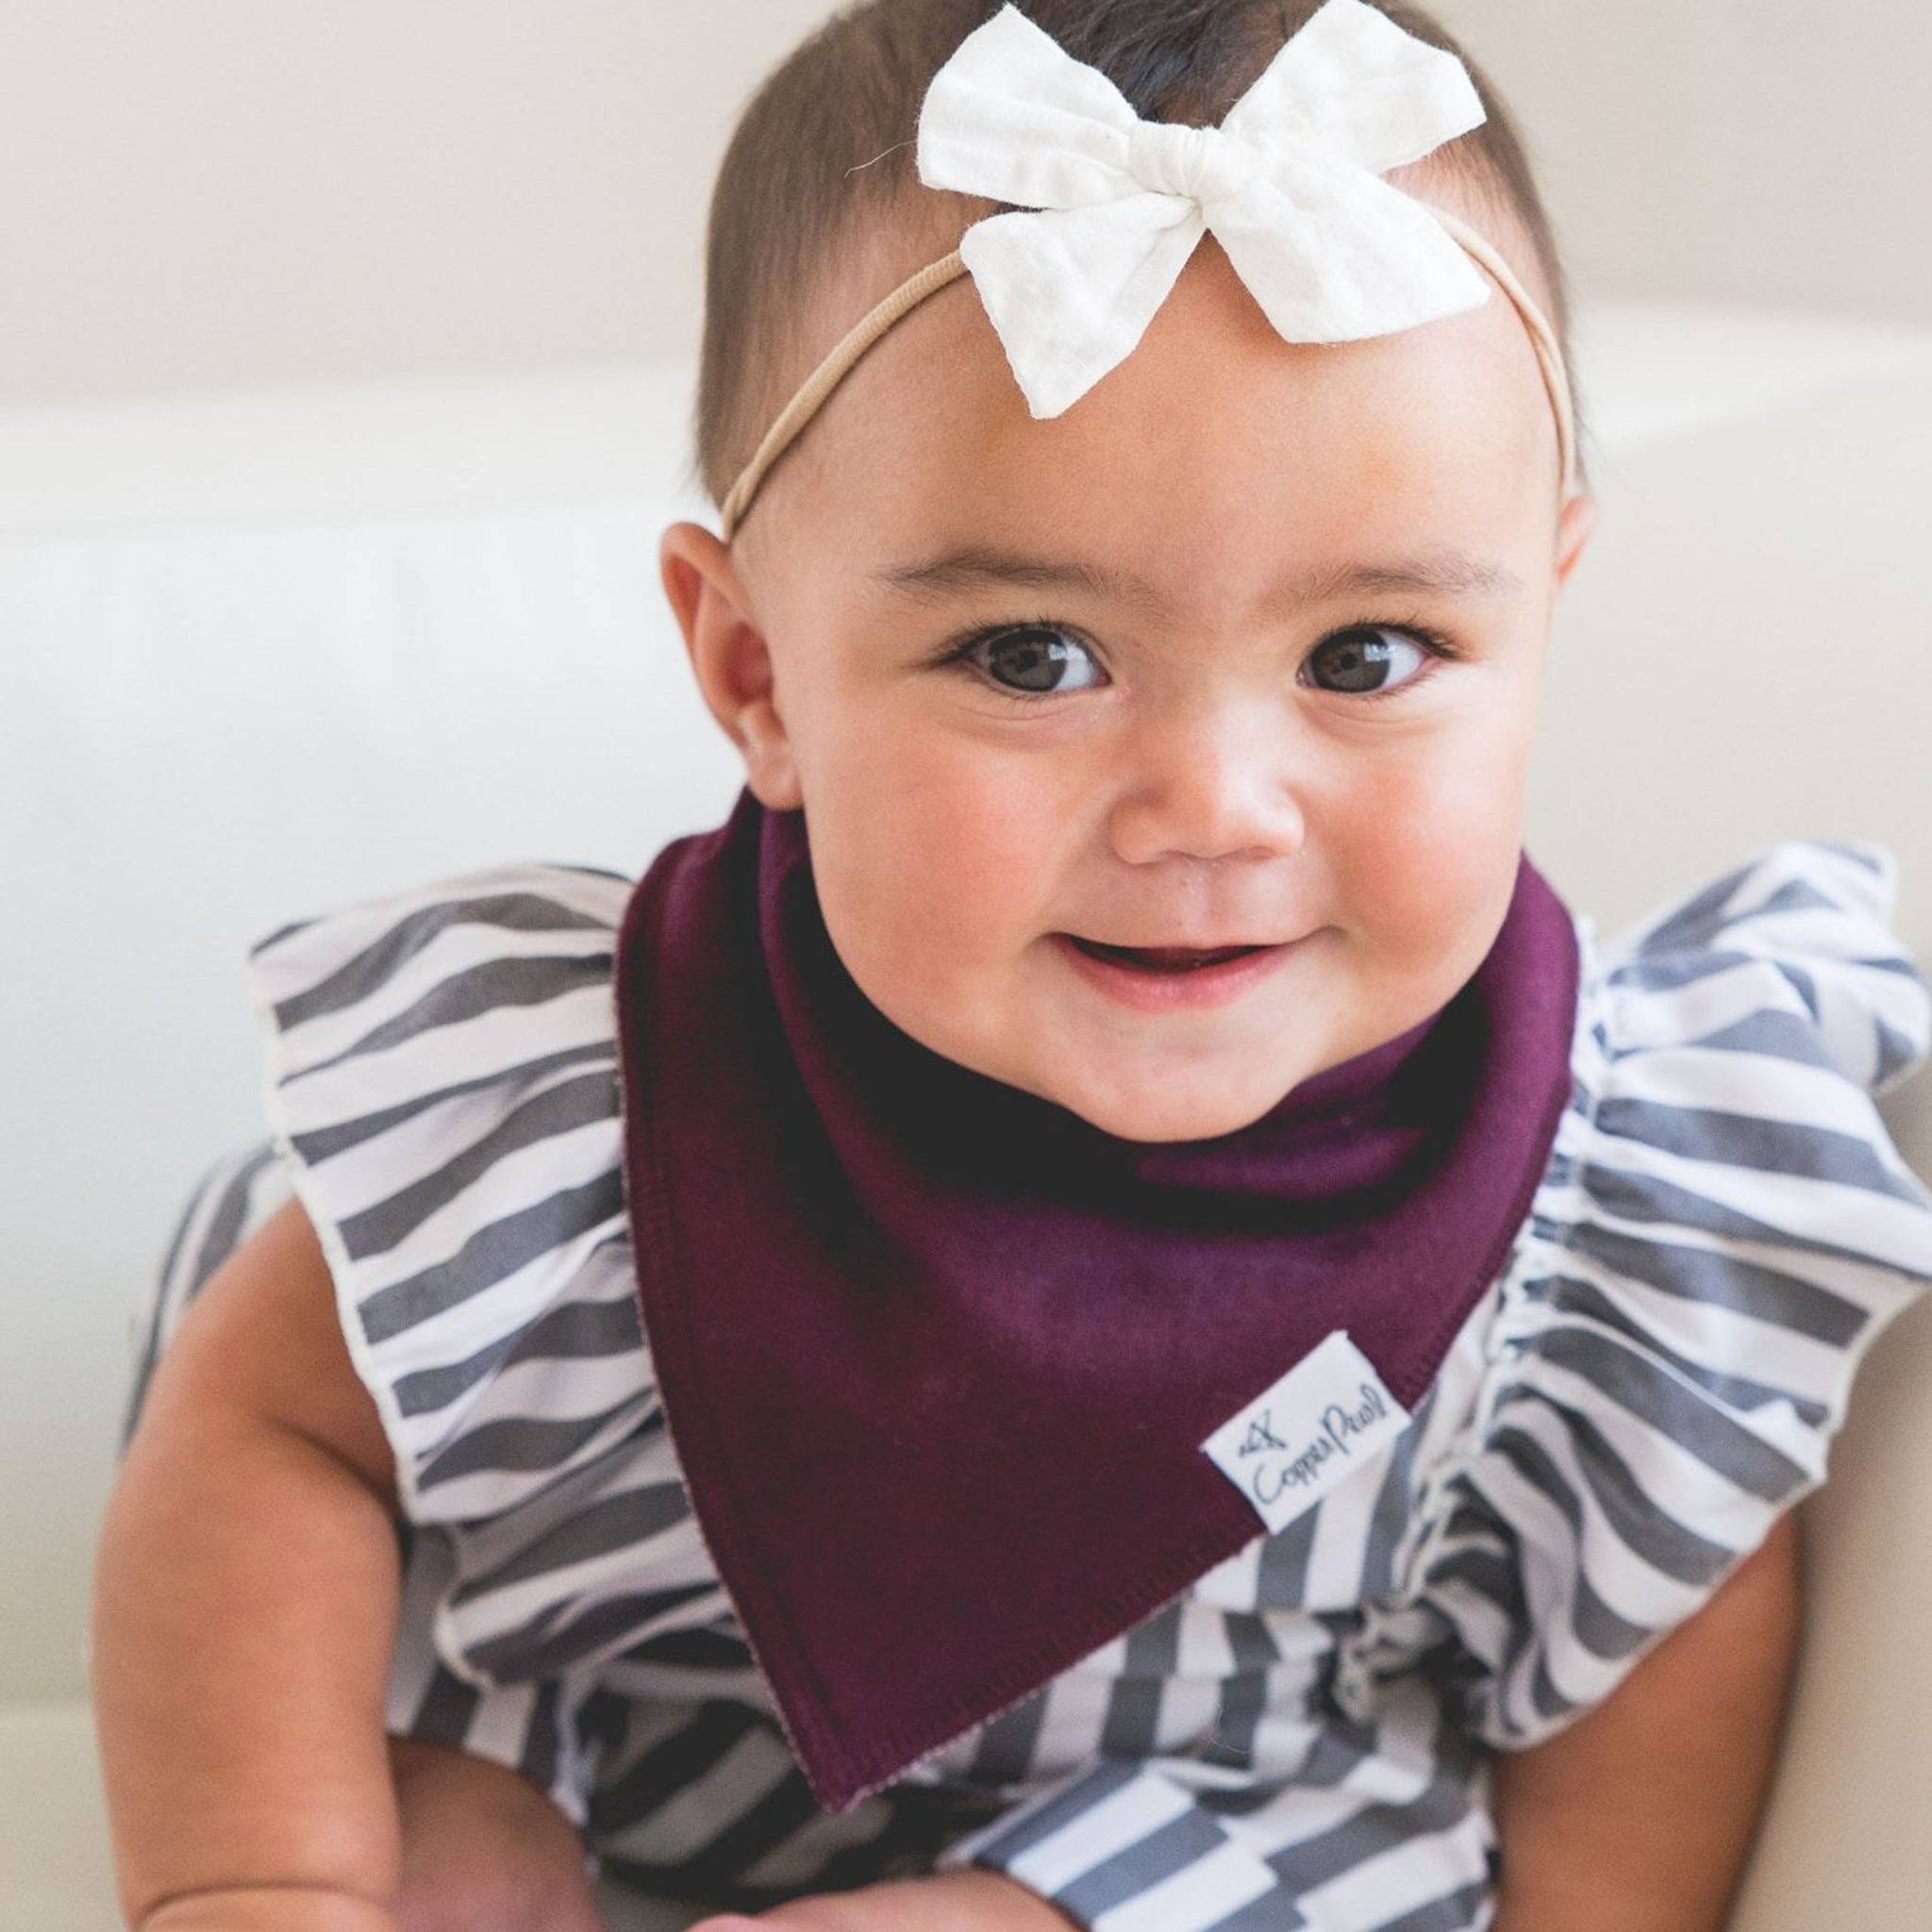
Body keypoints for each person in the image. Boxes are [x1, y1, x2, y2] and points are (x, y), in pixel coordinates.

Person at [92, 3, 1932, 1929]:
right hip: (590, 1726)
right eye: (1033, 658)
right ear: (757, 674)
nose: (1212, 807)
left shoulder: (1606, 1204)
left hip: (1191, 1808)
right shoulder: (590, 1103)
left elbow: (1660, 1620)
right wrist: (260, 1878)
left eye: (1366, 654)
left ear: (1540, 615)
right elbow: (272, 1432)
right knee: (424, 1851)